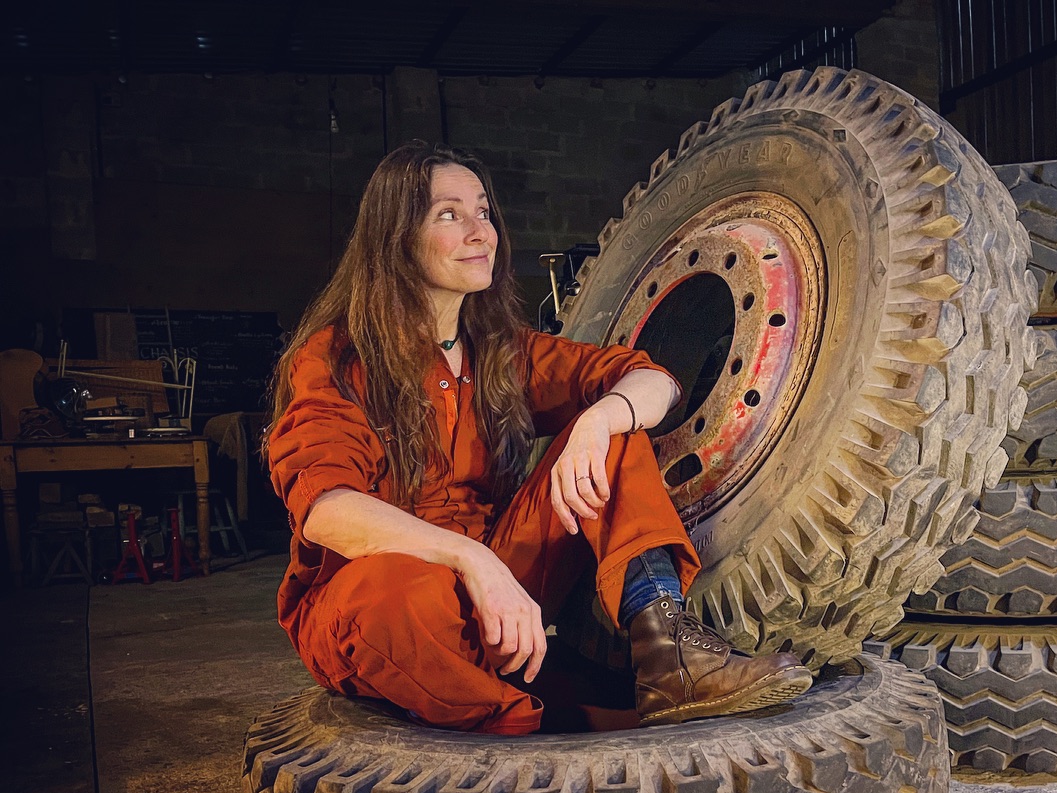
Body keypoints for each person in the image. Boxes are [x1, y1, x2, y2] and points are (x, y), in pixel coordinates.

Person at [265, 142, 812, 734]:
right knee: (393, 594)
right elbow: (325, 509)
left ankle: (668, 655)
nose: (481, 232)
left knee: (609, 431)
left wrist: (601, 419)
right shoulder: (339, 356)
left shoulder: (500, 350)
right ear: (396, 238)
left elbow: (654, 380)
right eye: (449, 215)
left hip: (500, 594)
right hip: (387, 598)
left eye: (484, 211)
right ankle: (542, 722)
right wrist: (472, 561)